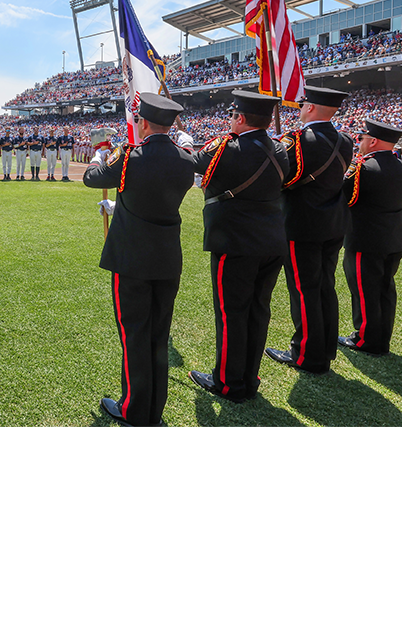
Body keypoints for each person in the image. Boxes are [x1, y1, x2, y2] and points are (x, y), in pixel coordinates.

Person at [83, 93, 195, 427]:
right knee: (158, 336)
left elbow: (92, 178)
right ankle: (153, 409)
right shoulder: (187, 160)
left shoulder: (130, 157)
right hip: (167, 257)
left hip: (132, 257)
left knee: (134, 334)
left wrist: (99, 155)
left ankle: (134, 409)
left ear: (143, 122)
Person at [187, 91, 289, 402]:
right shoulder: (282, 150)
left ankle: (229, 383)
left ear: (240, 118)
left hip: (235, 241)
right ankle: (249, 376)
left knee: (232, 313)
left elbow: (190, 163)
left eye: (233, 116)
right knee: (259, 311)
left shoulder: (226, 148)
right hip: (272, 240)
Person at [265, 85, 355, 375]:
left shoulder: (298, 140)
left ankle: (307, 354)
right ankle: (326, 348)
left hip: (302, 223)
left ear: (311, 108)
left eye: (303, 104)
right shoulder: (345, 140)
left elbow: (284, 179)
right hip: (334, 222)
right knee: (325, 287)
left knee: (304, 291)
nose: (300, 108)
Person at [338, 120, 402, 356]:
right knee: (385, 289)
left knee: (365, 290)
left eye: (362, 139)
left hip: (366, 239)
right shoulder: (400, 166)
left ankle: (366, 339)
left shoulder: (364, 168)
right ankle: (381, 339)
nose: (359, 143)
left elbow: (345, 197)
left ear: (373, 141)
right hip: (395, 238)